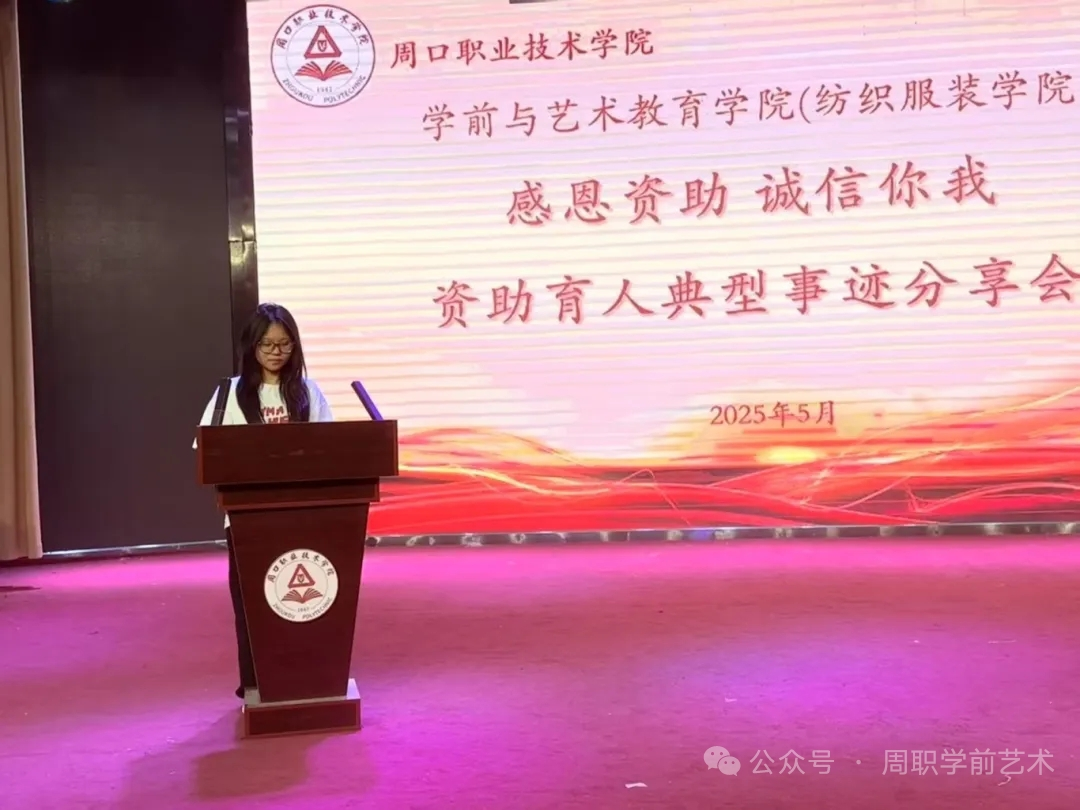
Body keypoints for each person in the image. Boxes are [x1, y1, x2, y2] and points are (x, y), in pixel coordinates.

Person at [195, 303, 333, 698]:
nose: (276, 352)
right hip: (246, 520)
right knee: (254, 604)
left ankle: (308, 678)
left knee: (305, 600)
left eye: (285, 344)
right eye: (267, 344)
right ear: (251, 346)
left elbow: (332, 448)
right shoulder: (229, 393)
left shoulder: (309, 392)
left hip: (302, 516)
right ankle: (256, 682)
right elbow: (206, 450)